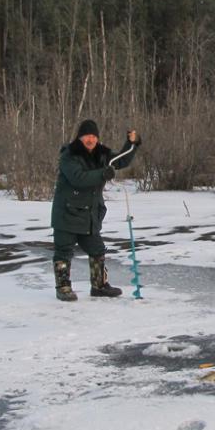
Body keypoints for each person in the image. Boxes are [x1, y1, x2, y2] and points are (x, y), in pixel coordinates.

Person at [51, 119, 141, 302]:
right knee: (63, 251)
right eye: (87, 136)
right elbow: (79, 178)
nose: (90, 140)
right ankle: (63, 287)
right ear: (80, 137)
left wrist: (132, 144)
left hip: (89, 215)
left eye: (93, 136)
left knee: (97, 249)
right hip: (67, 214)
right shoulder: (69, 155)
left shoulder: (101, 154)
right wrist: (102, 174)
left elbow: (120, 160)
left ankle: (99, 285)